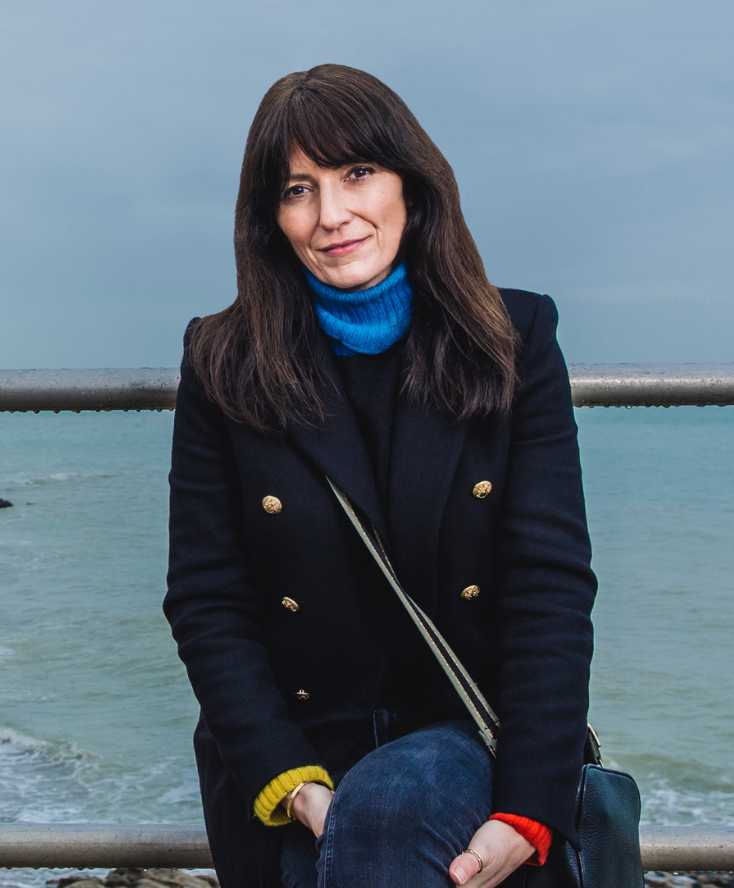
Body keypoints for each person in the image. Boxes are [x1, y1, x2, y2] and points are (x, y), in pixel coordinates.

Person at [163, 64, 597, 888]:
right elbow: (205, 596)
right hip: (295, 754)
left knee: (395, 808)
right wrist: (293, 787)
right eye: (298, 189)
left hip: (470, 741)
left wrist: (529, 807)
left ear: (412, 183)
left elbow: (549, 585)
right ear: (270, 216)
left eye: (357, 172)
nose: (332, 215)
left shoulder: (514, 339)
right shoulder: (223, 360)